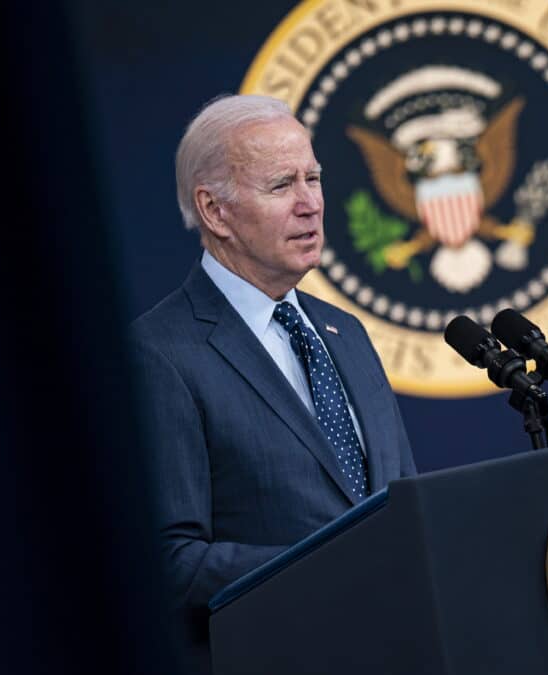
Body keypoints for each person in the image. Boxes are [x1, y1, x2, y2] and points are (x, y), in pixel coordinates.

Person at [129, 94, 417, 672]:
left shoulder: (347, 333)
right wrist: (341, 566)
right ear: (215, 211)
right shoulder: (158, 353)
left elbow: (406, 505)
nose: (311, 204)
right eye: (282, 185)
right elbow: (171, 561)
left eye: (314, 178)